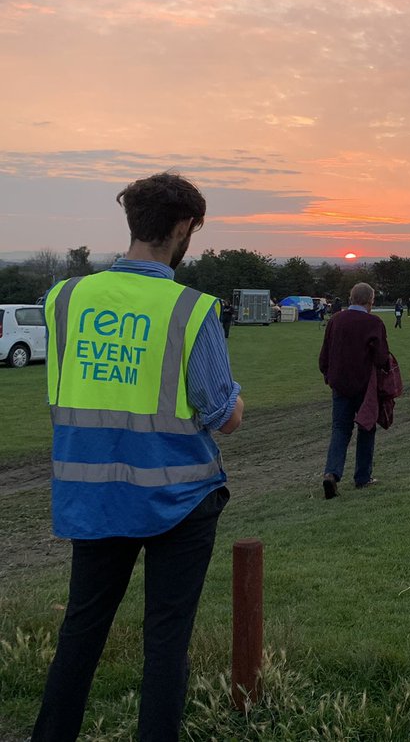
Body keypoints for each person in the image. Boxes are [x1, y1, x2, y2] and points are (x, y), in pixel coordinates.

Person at [33, 172, 244, 742]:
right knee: (167, 641)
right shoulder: (192, 310)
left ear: (133, 222)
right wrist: (235, 405)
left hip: (92, 491)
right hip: (179, 496)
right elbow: (220, 412)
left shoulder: (65, 298)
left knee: (81, 630)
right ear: (182, 229)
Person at [319, 282, 391, 497]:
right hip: (364, 385)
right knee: (367, 427)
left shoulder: (336, 320)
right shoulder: (373, 322)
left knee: (340, 429)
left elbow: (325, 353)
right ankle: (362, 477)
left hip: (339, 383)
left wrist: (327, 374)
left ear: (350, 298)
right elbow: (381, 358)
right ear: (370, 301)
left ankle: (331, 473)